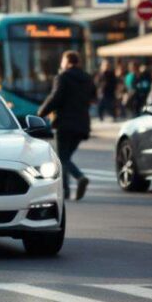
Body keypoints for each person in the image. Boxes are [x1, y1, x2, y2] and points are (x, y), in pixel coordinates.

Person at [38, 50, 95, 201]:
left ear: (67, 62)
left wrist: (41, 112)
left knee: (62, 158)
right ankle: (66, 190)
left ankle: (78, 178)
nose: (61, 64)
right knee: (65, 158)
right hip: (82, 125)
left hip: (64, 123)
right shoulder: (87, 78)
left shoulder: (62, 77)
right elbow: (94, 98)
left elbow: (55, 97)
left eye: (62, 61)